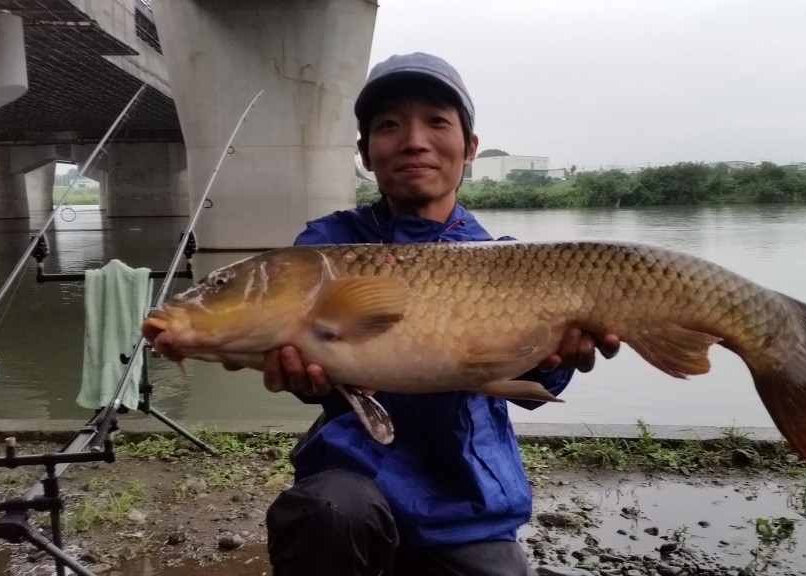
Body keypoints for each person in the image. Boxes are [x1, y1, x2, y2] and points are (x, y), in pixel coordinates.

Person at [262, 52, 621, 576]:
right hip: (352, 479)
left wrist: (550, 360)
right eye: (388, 125)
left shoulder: (509, 260)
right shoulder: (327, 247)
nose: (413, 140)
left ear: (469, 147)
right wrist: (304, 379)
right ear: (365, 151)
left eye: (437, 122)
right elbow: (309, 364)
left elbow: (535, 383)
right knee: (328, 513)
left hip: (466, 493)